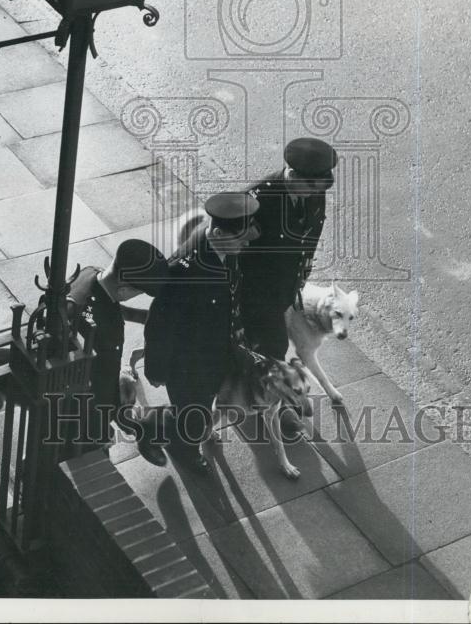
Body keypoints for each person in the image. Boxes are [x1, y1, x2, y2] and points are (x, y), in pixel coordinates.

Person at [137, 192, 261, 472]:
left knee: (199, 406)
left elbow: (228, 296)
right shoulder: (184, 270)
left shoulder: (223, 251)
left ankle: (162, 423)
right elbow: (160, 323)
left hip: (214, 351)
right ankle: (185, 452)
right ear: (217, 232)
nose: (244, 244)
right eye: (240, 239)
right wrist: (156, 369)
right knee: (194, 413)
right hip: (186, 362)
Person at [239, 137, 338, 360]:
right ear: (292, 175)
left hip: (285, 289)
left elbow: (309, 235)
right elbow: (229, 253)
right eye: (311, 187)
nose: (315, 194)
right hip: (256, 296)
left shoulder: (313, 190)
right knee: (272, 351)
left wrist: (299, 278)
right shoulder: (255, 201)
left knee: (267, 352)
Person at [67, 238, 169, 446]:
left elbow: (111, 307)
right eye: (138, 292)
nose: (136, 296)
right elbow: (95, 382)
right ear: (123, 289)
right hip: (83, 406)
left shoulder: (90, 273)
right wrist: (104, 424)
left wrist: (144, 316)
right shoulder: (98, 328)